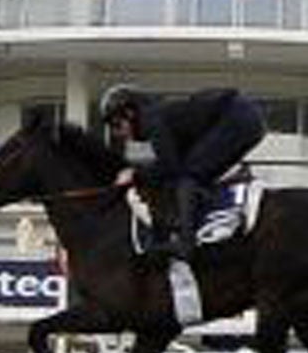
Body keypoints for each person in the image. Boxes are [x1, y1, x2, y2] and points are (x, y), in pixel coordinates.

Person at [98, 84, 268, 262]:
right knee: (195, 170)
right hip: (246, 116)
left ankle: (186, 244)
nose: (117, 133)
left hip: (238, 117)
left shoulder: (152, 121)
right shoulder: (159, 116)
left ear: (130, 113)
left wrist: (134, 174)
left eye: (116, 124)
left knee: (188, 176)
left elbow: (170, 167)